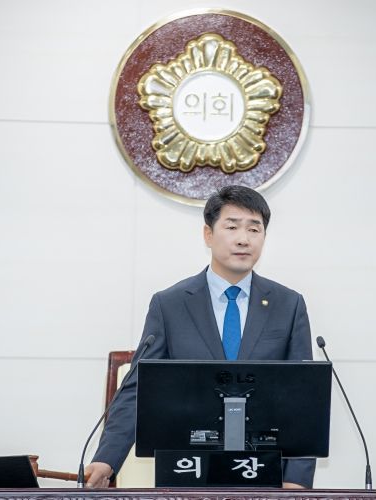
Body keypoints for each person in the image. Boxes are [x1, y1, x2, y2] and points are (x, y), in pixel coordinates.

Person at [85, 185, 315, 488]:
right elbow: (139, 389)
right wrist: (107, 459)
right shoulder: (170, 304)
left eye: (254, 229)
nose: (243, 239)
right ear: (208, 234)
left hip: (264, 473)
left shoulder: (288, 305)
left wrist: (296, 481)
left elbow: (304, 398)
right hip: (187, 471)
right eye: (232, 227)